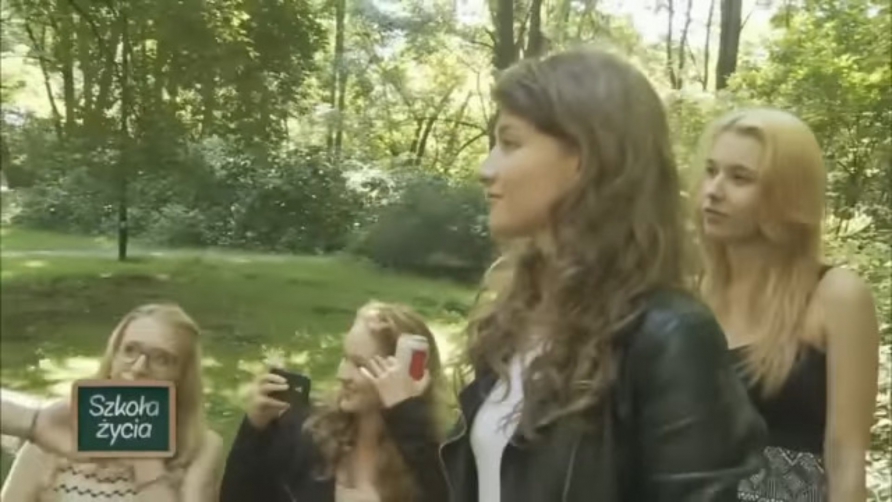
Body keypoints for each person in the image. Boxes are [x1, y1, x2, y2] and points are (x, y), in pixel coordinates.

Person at [438, 47, 767, 502]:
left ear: (586, 158)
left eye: (510, 143)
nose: (486, 168)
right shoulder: (517, 317)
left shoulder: (670, 336)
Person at [694, 108, 880, 501]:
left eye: (740, 178)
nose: (713, 190)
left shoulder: (837, 296)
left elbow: (847, 460)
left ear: (788, 193)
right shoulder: (690, 294)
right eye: (711, 171)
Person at [219, 300, 449, 502]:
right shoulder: (308, 433)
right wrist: (254, 430)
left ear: (403, 374)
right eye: (345, 358)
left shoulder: (425, 457)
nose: (342, 375)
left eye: (359, 364)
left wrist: (406, 413)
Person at [1, 304, 224, 502]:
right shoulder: (60, 426)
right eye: (130, 350)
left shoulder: (202, 447)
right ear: (113, 357)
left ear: (182, 377)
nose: (138, 368)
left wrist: (146, 460)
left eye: (161, 359)